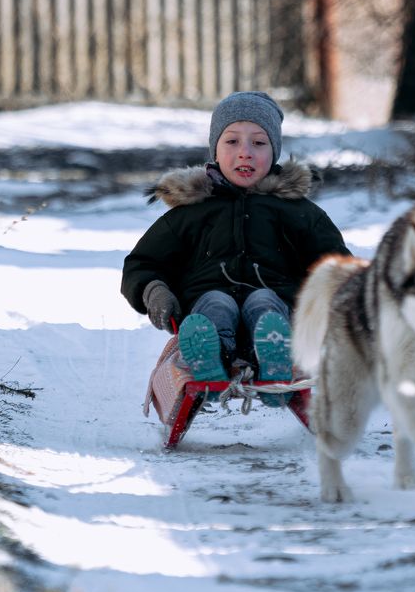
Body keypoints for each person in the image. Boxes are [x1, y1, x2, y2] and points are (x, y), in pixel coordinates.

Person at [121, 91, 350, 387]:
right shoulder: (191, 212)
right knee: (216, 303)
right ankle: (209, 352)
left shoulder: (298, 212)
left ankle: (273, 351)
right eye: (232, 141)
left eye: (259, 142)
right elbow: (142, 263)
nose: (245, 152)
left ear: (274, 151)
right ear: (215, 149)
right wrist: (153, 291)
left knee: (265, 301)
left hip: (280, 309)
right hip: (204, 307)